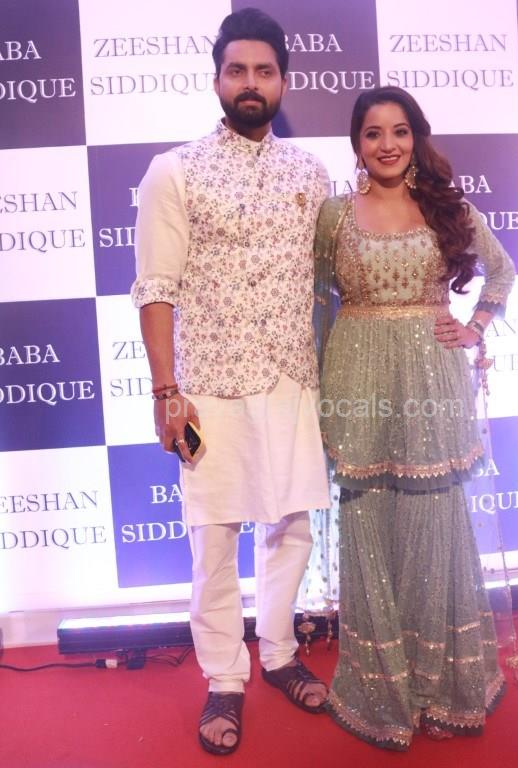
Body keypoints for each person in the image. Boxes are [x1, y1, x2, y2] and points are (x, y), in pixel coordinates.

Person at [131, 7, 331, 757]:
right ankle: (223, 676)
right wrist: (165, 392)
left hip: (292, 379)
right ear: (217, 80)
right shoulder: (174, 170)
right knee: (213, 540)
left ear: (283, 82)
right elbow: (156, 287)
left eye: (264, 71)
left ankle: (277, 651)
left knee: (292, 529)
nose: (251, 83)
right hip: (209, 385)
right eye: (237, 70)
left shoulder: (311, 173)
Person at [313, 86, 516, 750]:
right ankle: (383, 689)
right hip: (355, 380)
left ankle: (440, 684)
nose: (387, 145)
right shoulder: (334, 216)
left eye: (399, 131)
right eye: (373, 133)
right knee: (367, 521)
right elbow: (314, 303)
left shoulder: (445, 207)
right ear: (356, 143)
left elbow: (501, 271)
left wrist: (475, 326)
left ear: (415, 137)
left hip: (432, 381)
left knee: (432, 523)